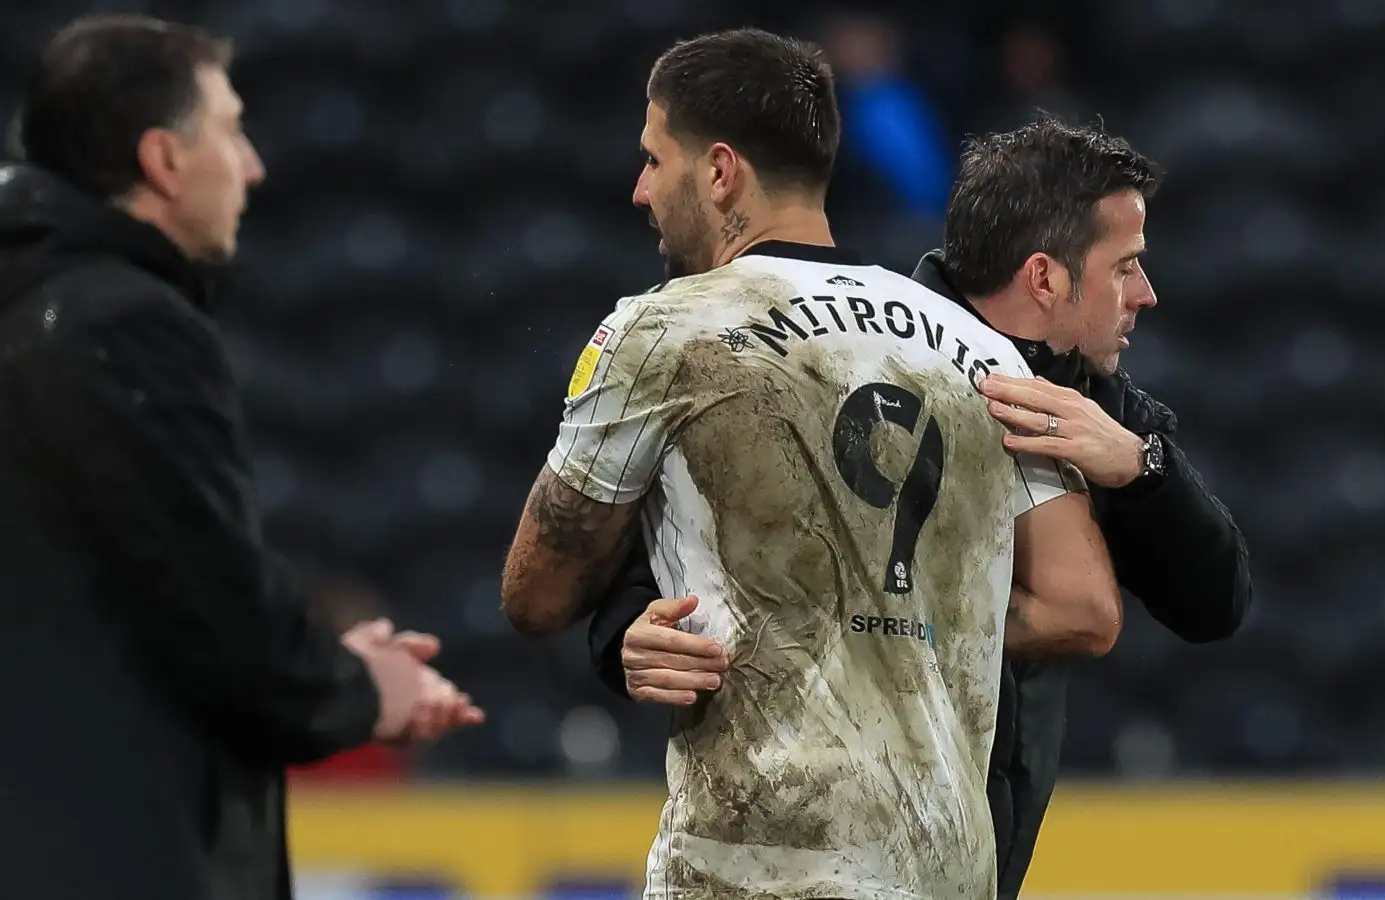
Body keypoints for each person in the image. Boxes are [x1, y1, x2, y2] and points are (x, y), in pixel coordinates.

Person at [501, 28, 1120, 900]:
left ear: (720, 172)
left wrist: (759, 624)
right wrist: (916, 627)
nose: (640, 190)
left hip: (754, 865)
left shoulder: (664, 331)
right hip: (941, 867)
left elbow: (535, 593)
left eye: (653, 159)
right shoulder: (983, 354)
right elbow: (1082, 608)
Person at [590, 118, 1252, 900]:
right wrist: (624, 630)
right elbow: (655, 532)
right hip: (799, 860)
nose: (1146, 293)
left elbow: (1217, 604)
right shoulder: (842, 352)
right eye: (1127, 267)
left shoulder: (1093, 405)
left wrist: (1141, 469)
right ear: (1044, 278)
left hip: (968, 866)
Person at [0, 15, 482, 900]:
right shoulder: (121, 323)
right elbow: (206, 603)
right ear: (163, 159)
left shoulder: (30, 308)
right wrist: (359, 686)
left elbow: (114, 607)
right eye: (230, 128)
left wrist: (318, 662)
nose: (254, 165)